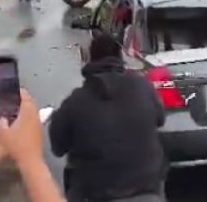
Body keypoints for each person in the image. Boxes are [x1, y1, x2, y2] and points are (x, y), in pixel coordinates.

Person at [50, 33, 168, 202]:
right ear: (120, 58)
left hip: (96, 193)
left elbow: (57, 147)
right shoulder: (143, 87)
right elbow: (160, 119)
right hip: (148, 189)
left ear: (90, 60)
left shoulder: (75, 102)